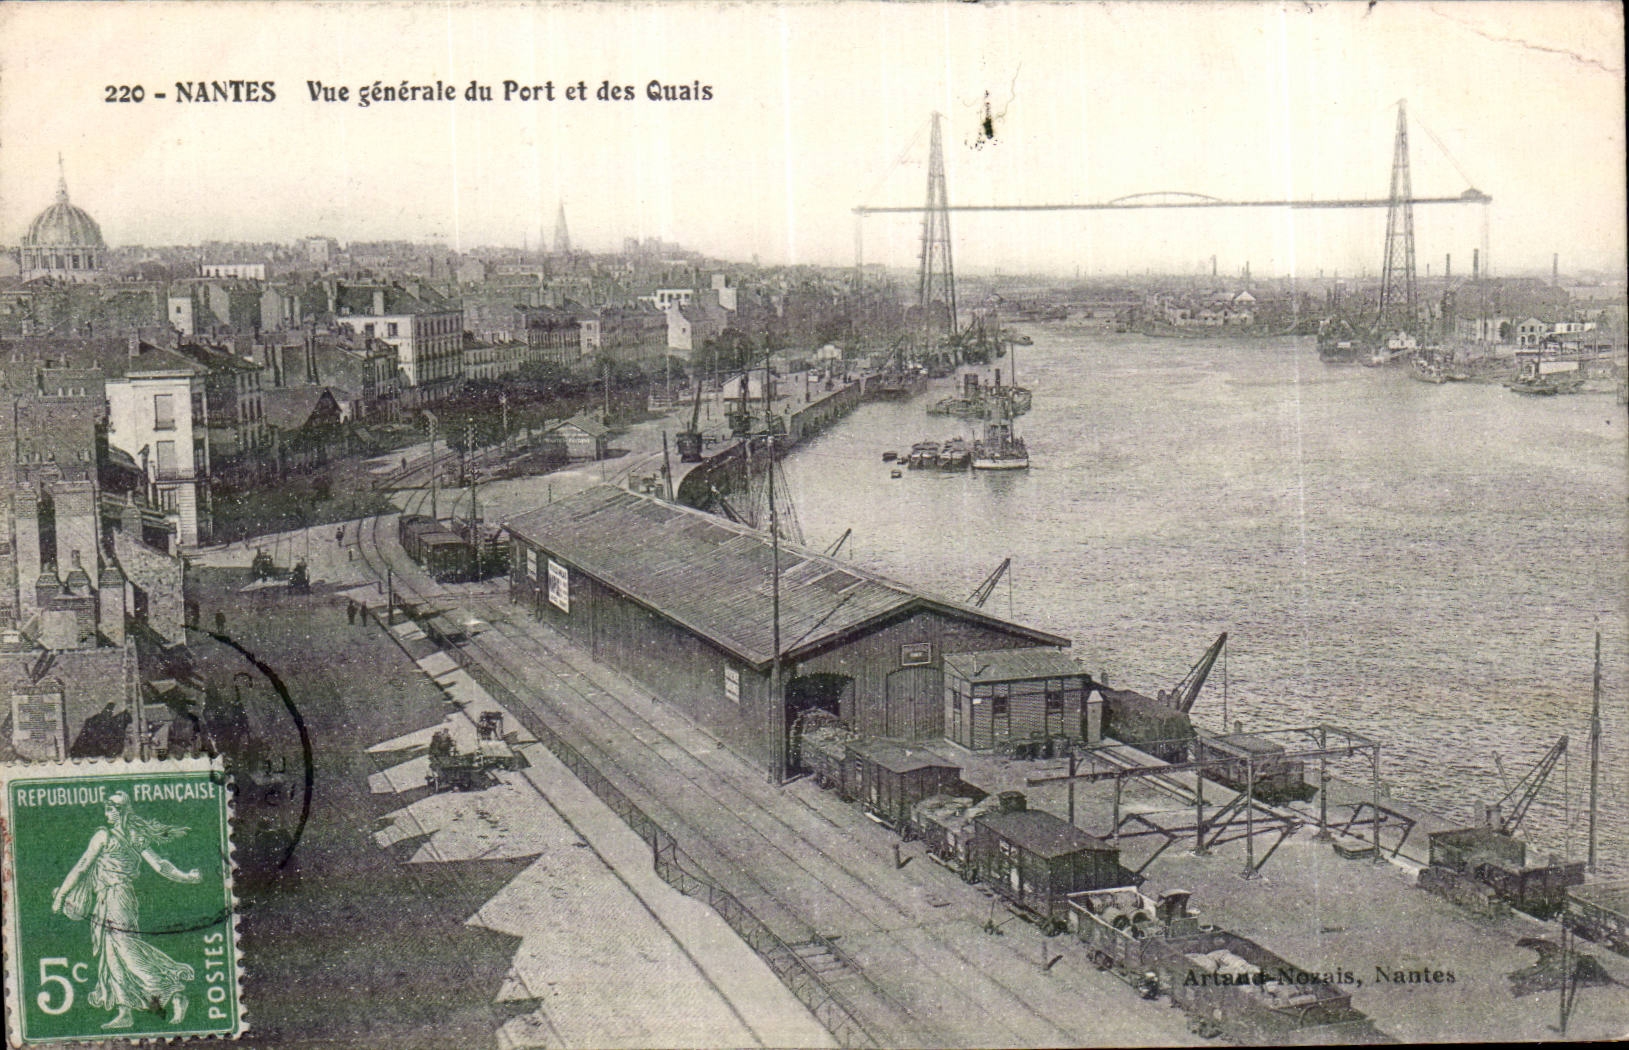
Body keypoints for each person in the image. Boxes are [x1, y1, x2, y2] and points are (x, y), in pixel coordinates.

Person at [52, 792, 201, 1029]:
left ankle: (172, 992)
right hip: (109, 898)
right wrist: (187, 877)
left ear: (121, 811)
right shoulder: (128, 835)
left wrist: (60, 896)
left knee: (126, 950)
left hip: (118, 898)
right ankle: (125, 1012)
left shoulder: (110, 836)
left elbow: (82, 868)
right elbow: (159, 865)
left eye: (110, 809)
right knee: (111, 956)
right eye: (106, 809)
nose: (106, 813)